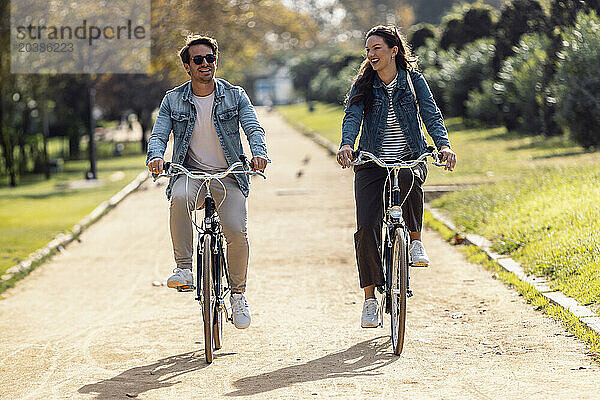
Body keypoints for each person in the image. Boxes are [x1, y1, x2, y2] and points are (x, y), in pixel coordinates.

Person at [336, 25, 457, 328]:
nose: (371, 54)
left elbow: (431, 114)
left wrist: (443, 145)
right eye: (367, 50)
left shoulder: (414, 81)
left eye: (377, 48)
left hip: (408, 155)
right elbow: (352, 116)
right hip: (371, 162)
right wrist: (347, 144)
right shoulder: (363, 83)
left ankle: (415, 241)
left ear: (394, 51)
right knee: (366, 228)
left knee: (411, 177)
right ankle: (369, 299)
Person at [146, 35, 269, 329]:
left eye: (209, 58)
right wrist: (155, 156)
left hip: (229, 174)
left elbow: (253, 127)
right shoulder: (173, 99)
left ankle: (238, 295)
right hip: (190, 173)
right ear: (187, 66)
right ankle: (184, 269)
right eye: (198, 60)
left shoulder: (235, 95)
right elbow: (160, 134)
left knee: (237, 233)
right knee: (178, 198)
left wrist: (259, 154)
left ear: (216, 61)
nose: (205, 64)